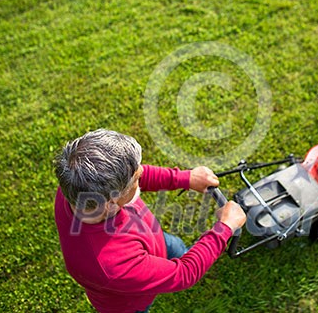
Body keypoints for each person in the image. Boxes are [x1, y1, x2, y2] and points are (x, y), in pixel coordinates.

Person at [54, 129, 246, 313]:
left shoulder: (76, 186)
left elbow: (133, 174)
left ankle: (184, 253)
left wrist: (184, 178)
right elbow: (185, 273)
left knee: (175, 247)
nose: (142, 174)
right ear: (111, 202)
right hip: (130, 303)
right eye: (136, 178)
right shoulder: (112, 265)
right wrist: (225, 227)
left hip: (152, 238)